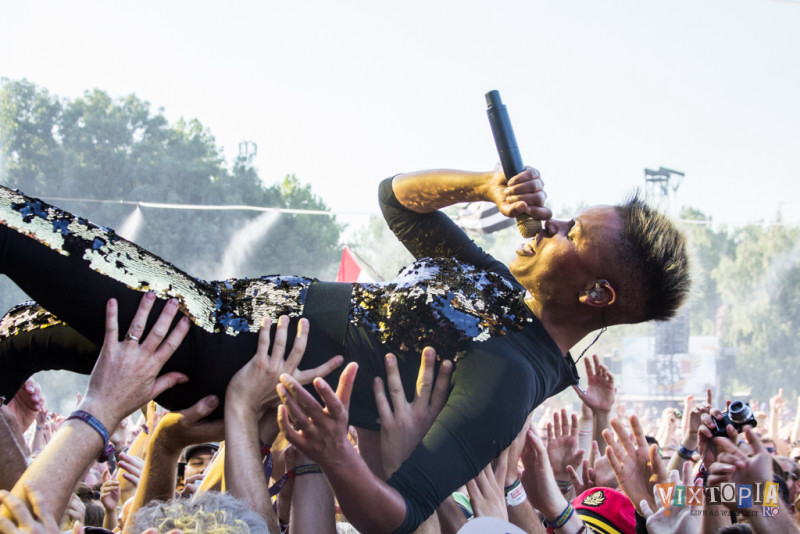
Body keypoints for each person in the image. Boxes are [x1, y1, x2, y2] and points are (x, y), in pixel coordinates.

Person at [0, 166, 690, 533]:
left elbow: (400, 512)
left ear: (597, 294)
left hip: (217, 343)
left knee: (23, 226)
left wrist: (331, 452)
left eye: (573, 233)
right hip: (212, 305)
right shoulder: (490, 282)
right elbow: (397, 201)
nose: (556, 221)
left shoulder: (512, 374)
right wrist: (485, 186)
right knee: (14, 342)